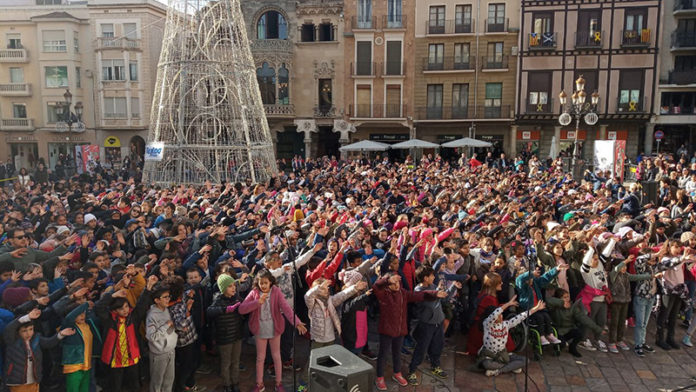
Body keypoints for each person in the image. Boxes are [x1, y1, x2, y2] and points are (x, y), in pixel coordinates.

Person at [371, 272, 447, 391]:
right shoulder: (383, 294)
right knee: (383, 355)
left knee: (397, 354)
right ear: (388, 284)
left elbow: (419, 295)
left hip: (400, 330)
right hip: (386, 330)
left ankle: (397, 373)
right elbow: (376, 286)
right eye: (393, 283)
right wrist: (387, 279)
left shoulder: (403, 293)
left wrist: (435, 293)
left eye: (398, 282)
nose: (396, 285)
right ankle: (379, 377)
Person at [239, 269, 307, 392]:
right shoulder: (254, 293)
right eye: (261, 283)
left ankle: (278, 383)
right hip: (260, 330)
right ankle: (259, 384)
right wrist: (257, 302)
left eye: (266, 283)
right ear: (257, 283)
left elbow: (286, 308)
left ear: (271, 282)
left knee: (276, 356)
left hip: (275, 329)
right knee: (260, 358)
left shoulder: (276, 291)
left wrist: (297, 323)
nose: (263, 286)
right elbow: (242, 309)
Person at [4, 308, 75, 392]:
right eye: (24, 331)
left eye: (31, 329)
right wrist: (28, 317)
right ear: (17, 332)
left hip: (34, 380)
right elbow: (9, 328)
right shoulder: (12, 340)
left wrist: (61, 334)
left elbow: (49, 343)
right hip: (18, 382)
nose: (28, 333)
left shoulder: (36, 338)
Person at [477, 296, 546, 377]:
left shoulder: (506, 324)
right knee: (487, 364)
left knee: (525, 360)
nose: (501, 316)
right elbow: (494, 314)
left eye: (501, 314)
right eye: (499, 315)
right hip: (489, 357)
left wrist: (536, 309)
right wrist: (508, 304)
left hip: (503, 355)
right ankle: (510, 367)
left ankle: (498, 370)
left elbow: (520, 317)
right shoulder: (487, 324)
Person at [207, 274, 244, 392]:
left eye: (234, 285)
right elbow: (209, 311)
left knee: (236, 361)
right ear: (223, 289)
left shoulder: (237, 298)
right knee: (226, 363)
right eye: (229, 286)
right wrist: (224, 310)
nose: (233, 288)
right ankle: (227, 385)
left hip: (237, 335)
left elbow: (245, 307)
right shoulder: (218, 300)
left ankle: (235, 383)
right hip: (224, 338)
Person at [146, 284, 177, 392]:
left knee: (169, 381)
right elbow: (152, 336)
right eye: (165, 297)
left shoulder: (166, 309)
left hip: (170, 351)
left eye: (168, 296)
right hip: (159, 354)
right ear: (157, 300)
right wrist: (166, 326)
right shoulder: (152, 315)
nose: (168, 299)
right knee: (157, 383)